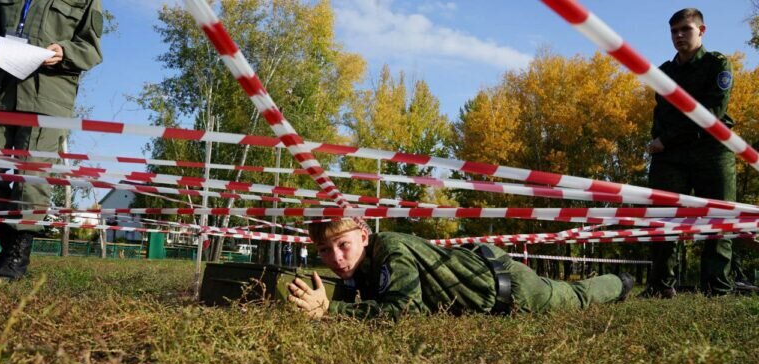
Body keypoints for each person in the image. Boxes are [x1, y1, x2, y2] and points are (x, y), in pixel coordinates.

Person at [287, 219, 633, 320]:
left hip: (511, 290)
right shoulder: (365, 261)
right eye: (324, 251)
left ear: (363, 235)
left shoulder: (390, 250)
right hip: (484, 267)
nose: (335, 257)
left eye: (342, 245)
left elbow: (406, 311)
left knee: (577, 295)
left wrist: (332, 310)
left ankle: (620, 281)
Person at [0, 0, 104, 280]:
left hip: (47, 97)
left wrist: (65, 51)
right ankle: (9, 250)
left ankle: (16, 258)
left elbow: (91, 49)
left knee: (32, 176)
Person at [646, 8, 736, 298]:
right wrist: (657, 142)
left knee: (718, 222)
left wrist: (666, 140)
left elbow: (710, 114)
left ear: (702, 31)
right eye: (674, 31)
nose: (679, 36)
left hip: (712, 150)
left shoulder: (717, 65)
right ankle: (660, 287)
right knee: (662, 220)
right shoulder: (664, 72)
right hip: (671, 156)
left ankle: (717, 290)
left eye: (685, 29)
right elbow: (660, 115)